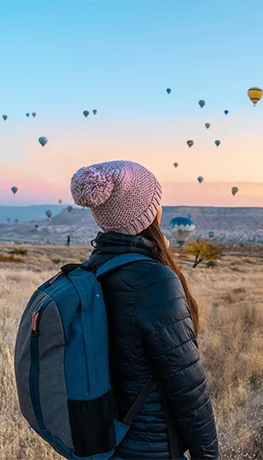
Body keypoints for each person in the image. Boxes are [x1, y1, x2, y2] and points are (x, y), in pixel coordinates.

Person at [70, 160, 220, 459]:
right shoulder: (154, 280)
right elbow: (188, 386)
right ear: (149, 213)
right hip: (150, 446)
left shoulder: (92, 269)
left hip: (103, 441)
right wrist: (208, 455)